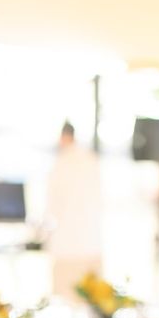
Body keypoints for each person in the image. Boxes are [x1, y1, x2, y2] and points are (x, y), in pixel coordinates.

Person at [46, 121, 103, 301]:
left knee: (67, 295)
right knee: (91, 296)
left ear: (64, 137)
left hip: (68, 241)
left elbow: (53, 203)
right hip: (91, 239)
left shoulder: (61, 162)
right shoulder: (90, 158)